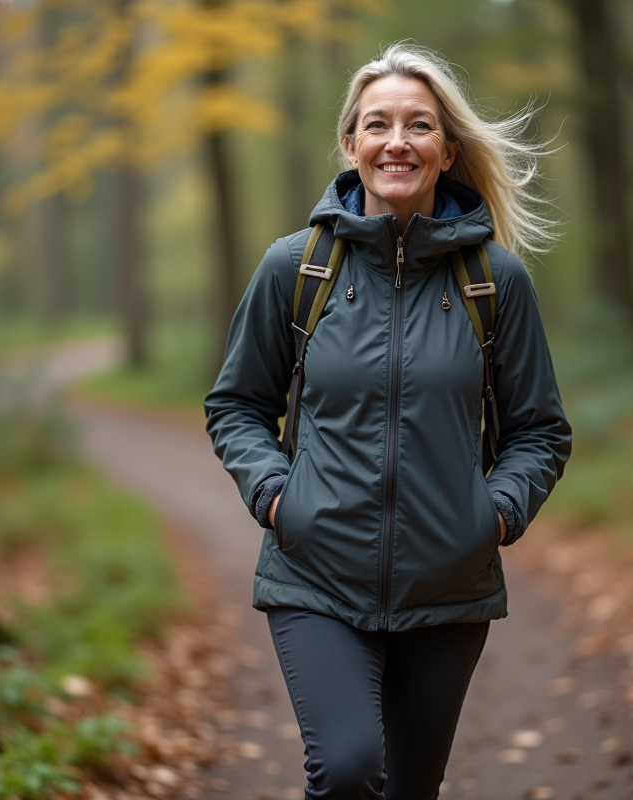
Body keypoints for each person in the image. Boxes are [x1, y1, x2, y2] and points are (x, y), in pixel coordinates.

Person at [204, 42, 572, 800]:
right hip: (315, 574)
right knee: (345, 771)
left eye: (418, 125)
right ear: (350, 144)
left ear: (447, 150)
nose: (396, 141)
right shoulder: (297, 268)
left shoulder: (493, 281)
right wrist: (278, 496)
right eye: (378, 124)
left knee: (408, 790)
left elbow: (540, 430)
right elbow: (236, 406)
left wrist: (495, 513)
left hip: (448, 584)